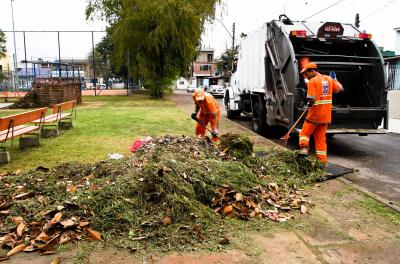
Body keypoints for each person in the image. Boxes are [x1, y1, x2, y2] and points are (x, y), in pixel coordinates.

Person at [299, 62, 344, 164]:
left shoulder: (312, 82)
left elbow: (312, 99)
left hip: (314, 115)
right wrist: (335, 79)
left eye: (306, 74)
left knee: (304, 134)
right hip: (325, 116)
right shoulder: (328, 79)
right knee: (320, 140)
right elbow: (340, 89)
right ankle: (322, 162)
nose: (306, 76)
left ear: (312, 71)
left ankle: (304, 150)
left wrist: (308, 104)